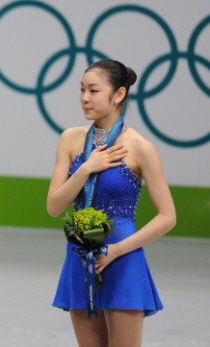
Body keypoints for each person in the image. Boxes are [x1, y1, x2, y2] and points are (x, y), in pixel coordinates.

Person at [47, 59, 176, 347]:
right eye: (81, 89)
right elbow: (54, 206)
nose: (84, 98)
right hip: (81, 259)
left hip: (122, 257)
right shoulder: (71, 139)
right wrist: (86, 168)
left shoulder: (141, 148)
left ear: (118, 95)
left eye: (93, 90)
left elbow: (168, 216)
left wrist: (116, 250)